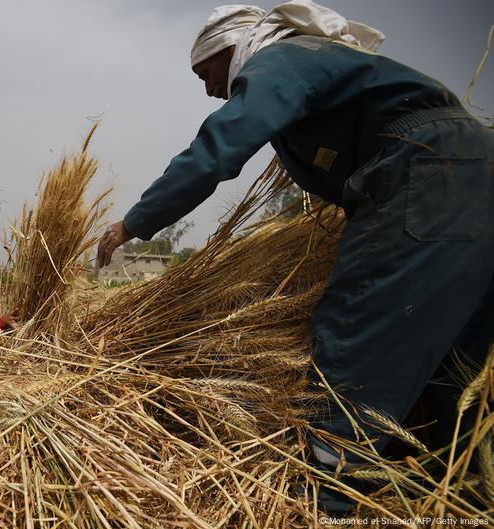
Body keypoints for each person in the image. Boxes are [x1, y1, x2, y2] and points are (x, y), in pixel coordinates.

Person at [96, 0, 494, 513]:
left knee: (359, 333)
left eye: (206, 71)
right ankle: (448, 496)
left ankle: (326, 500)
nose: (208, 88)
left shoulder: (281, 59)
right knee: (450, 359)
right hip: (473, 176)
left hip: (425, 173)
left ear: (232, 48)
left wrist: (133, 223)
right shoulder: (324, 63)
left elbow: (219, 147)